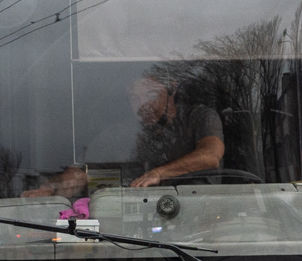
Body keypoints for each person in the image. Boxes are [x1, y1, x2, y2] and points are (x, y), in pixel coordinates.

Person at [27, 73, 225, 199]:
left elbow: (210, 155)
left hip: (200, 216)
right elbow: (81, 173)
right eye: (134, 98)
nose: (142, 105)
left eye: (150, 94)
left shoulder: (200, 117)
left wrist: (158, 173)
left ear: (171, 89)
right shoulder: (120, 134)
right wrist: (51, 188)